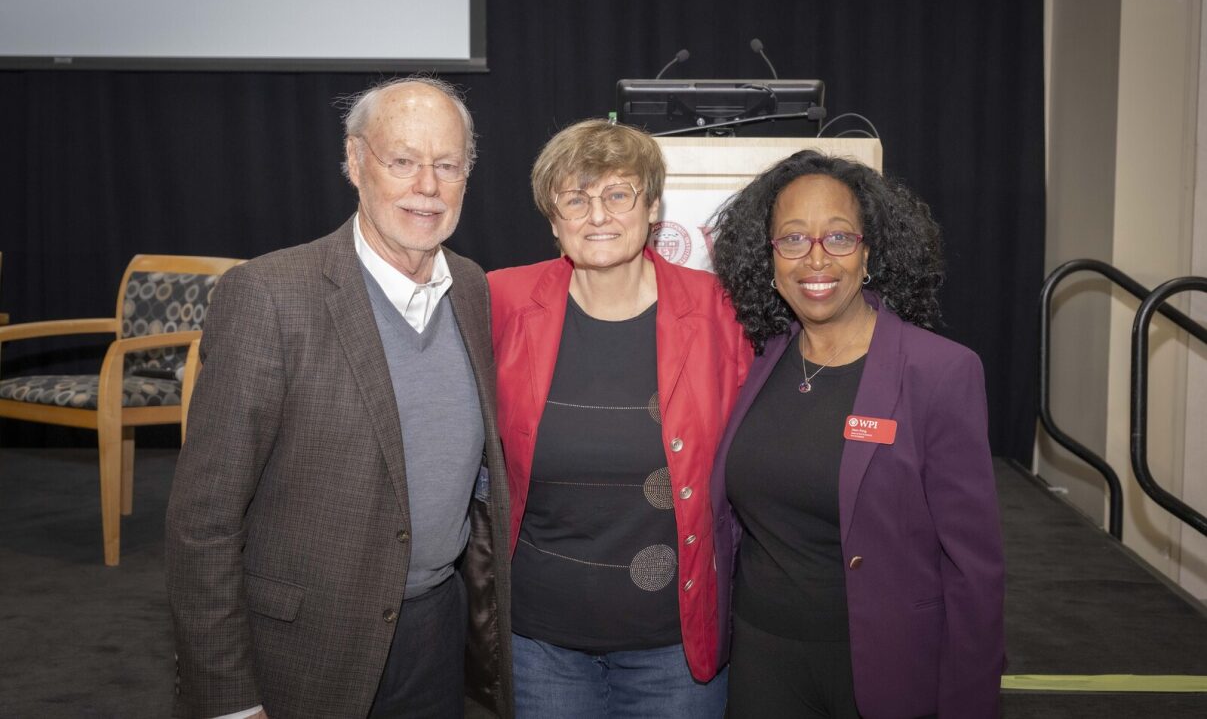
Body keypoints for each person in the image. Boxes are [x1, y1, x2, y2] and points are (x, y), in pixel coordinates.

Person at [165, 77, 512, 719]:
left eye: (448, 165)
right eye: (402, 161)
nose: (427, 187)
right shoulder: (268, 295)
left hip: (437, 634)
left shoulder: (471, 288)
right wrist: (230, 701)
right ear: (355, 162)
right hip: (304, 650)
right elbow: (203, 520)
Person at [708, 150, 1006, 718]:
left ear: (869, 252)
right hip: (760, 665)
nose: (815, 259)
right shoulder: (756, 360)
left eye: (838, 238)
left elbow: (975, 569)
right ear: (768, 259)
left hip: (884, 669)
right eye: (793, 240)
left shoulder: (940, 372)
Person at [487, 119, 752, 717]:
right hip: (540, 642)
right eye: (575, 199)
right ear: (553, 220)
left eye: (617, 193)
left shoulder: (722, 315)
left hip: (674, 647)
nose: (597, 215)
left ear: (653, 206)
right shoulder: (500, 301)